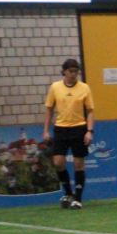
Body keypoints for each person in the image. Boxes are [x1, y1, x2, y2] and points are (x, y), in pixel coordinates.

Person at [42, 58, 93, 209]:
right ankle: (68, 193)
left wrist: (89, 131)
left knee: (78, 164)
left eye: (76, 72)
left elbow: (90, 110)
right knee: (58, 162)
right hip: (61, 129)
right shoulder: (55, 87)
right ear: (64, 71)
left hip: (79, 128)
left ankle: (78, 198)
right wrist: (45, 130)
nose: (73, 74)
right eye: (71, 71)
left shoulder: (84, 88)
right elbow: (49, 109)